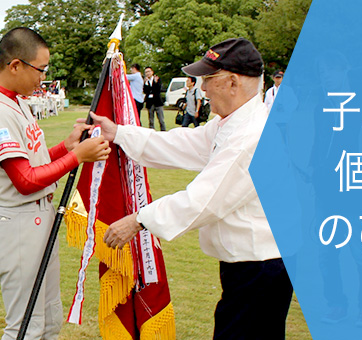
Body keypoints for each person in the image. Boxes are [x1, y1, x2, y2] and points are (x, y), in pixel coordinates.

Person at [97, 38, 292, 339]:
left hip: (259, 268)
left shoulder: (251, 136)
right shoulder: (231, 123)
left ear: (232, 82)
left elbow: (203, 199)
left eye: (208, 79)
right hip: (248, 267)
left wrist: (138, 220)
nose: (202, 89)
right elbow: (185, 143)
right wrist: (120, 132)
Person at [0, 27, 109, 340]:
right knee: (26, 327)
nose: (43, 78)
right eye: (40, 69)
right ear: (16, 65)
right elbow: (24, 180)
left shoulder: (16, 102)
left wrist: (68, 147)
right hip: (19, 222)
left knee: (48, 321)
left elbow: (32, 162)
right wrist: (77, 158)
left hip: (37, 219)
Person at [143, 67, 166, 131]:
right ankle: (151, 132)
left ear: (152, 72)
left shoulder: (157, 79)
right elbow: (145, 91)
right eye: (146, 72)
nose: (147, 73)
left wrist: (155, 82)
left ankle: (163, 131)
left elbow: (157, 90)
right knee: (151, 120)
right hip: (150, 102)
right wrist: (146, 83)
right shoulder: (146, 81)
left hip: (158, 102)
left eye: (149, 71)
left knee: (161, 120)